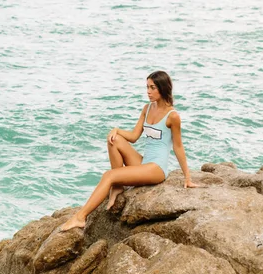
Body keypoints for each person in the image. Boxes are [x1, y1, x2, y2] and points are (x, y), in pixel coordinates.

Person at [60, 71, 200, 231]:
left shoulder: (172, 116)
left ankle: (80, 217)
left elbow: (178, 147)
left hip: (157, 168)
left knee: (109, 175)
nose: (148, 91)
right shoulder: (147, 109)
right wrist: (116, 130)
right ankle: (118, 187)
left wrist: (187, 177)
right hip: (144, 162)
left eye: (152, 88)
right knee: (114, 140)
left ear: (162, 88)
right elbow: (134, 136)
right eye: (147, 87)